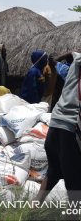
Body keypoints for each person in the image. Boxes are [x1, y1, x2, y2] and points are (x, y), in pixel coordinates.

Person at [35, 52, 81, 206]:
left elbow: (64, 58)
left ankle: (31, 210)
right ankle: (74, 216)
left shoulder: (76, 61)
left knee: (53, 171)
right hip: (71, 127)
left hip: (55, 123)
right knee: (74, 181)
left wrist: (56, 60)